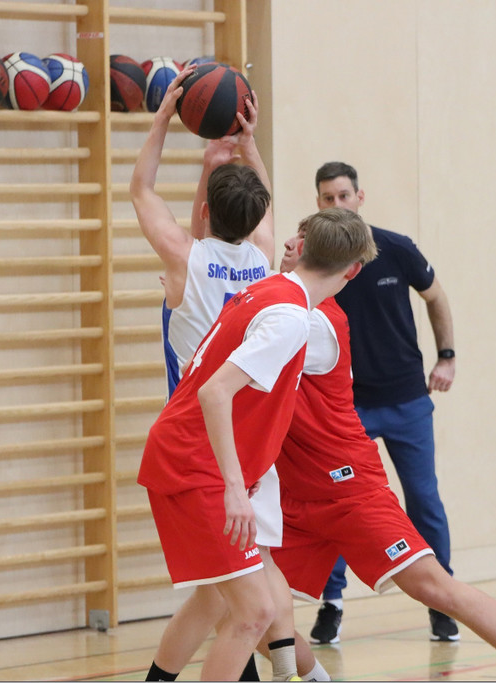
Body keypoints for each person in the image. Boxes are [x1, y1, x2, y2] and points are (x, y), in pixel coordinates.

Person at [268, 223, 496, 682]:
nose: (286, 243)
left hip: (347, 487)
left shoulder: (312, 321)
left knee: (434, 583)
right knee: (248, 609)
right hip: (297, 492)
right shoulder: (288, 306)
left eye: (300, 239)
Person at [137, 207, 377, 682]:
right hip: (195, 464)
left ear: (302, 247)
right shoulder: (290, 317)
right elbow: (214, 392)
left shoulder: (267, 289)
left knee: (214, 598)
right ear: (352, 270)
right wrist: (233, 485)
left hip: (185, 452)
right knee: (254, 612)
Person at [131, 68, 297, 681]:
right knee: (239, 599)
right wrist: (249, 144)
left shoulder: (184, 258)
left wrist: (161, 119)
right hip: (240, 443)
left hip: (203, 441)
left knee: (230, 598)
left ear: (203, 210)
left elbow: (141, 189)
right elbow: (263, 205)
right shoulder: (263, 260)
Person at [309, 161, 460, 644]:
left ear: (360, 197)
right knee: (338, 504)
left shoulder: (396, 248)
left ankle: (442, 602)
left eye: (344, 195)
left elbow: (436, 297)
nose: (337, 204)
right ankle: (332, 603)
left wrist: (447, 357)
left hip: (406, 400)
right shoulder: (315, 260)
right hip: (345, 408)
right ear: (318, 204)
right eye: (328, 198)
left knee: (424, 499)